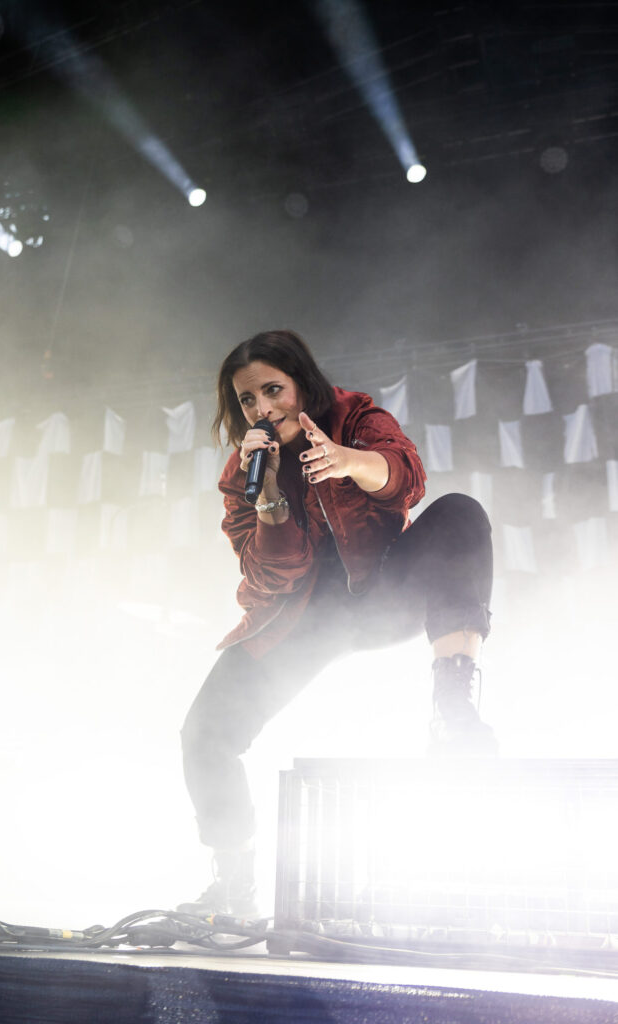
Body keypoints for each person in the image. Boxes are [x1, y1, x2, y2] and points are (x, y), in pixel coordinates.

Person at [179, 330, 496, 918]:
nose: (263, 409)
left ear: (302, 382)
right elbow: (275, 574)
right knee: (203, 734)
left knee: (460, 515)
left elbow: (408, 477)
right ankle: (235, 883)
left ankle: (453, 709)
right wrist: (269, 491)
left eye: (273, 390)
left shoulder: (354, 416)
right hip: (298, 621)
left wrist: (347, 461)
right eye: (248, 401)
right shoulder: (241, 473)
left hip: (380, 591)